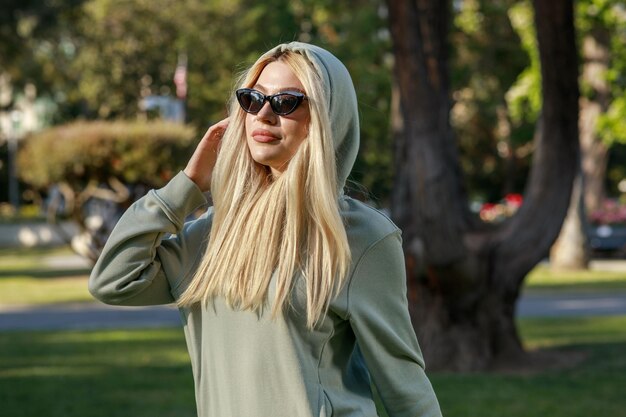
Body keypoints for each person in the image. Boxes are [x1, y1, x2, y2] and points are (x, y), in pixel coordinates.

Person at [89, 42, 442, 417]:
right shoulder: (211, 236)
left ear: (327, 118)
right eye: (252, 99)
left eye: (287, 101)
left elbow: (404, 385)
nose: (265, 114)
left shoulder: (360, 236)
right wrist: (187, 184)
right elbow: (113, 280)